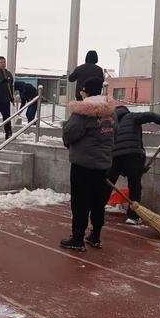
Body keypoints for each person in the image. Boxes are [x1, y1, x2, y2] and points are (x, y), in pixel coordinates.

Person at [61, 77, 116, 251]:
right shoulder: (111, 112)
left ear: (85, 92)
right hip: (104, 164)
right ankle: (96, 236)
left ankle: (77, 238)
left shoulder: (83, 112)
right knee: (98, 202)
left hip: (83, 165)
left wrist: (67, 139)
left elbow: (70, 133)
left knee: (80, 202)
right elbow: (116, 131)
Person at [107, 105, 160, 225]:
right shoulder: (132, 116)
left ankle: (95, 209)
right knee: (134, 185)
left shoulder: (112, 123)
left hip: (115, 156)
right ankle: (133, 216)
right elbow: (150, 115)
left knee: (108, 183)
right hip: (133, 155)